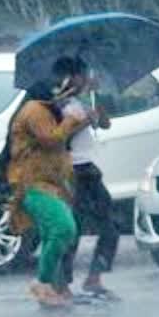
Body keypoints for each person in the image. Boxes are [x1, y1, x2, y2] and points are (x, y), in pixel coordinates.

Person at [6, 61, 94, 308]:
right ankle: (43, 283)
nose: (65, 90)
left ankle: (54, 287)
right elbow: (50, 138)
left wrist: (79, 118)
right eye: (62, 85)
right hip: (34, 182)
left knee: (52, 234)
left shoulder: (47, 109)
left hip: (51, 181)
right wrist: (71, 120)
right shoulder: (35, 110)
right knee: (63, 228)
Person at [55, 59, 120, 300]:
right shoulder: (58, 103)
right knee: (73, 228)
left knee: (110, 226)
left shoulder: (84, 100)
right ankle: (62, 283)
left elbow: (105, 124)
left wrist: (96, 98)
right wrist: (84, 120)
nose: (85, 79)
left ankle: (95, 277)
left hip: (88, 169)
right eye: (81, 76)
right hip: (69, 171)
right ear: (70, 77)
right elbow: (59, 137)